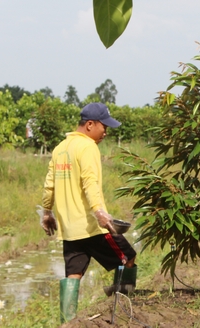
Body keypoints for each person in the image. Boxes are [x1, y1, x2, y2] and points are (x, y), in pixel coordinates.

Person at [40, 102, 137, 323]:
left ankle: (67, 323)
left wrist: (47, 212)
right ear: (90, 125)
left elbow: (49, 185)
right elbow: (90, 183)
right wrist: (99, 212)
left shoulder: (60, 148)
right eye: (104, 127)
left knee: (73, 275)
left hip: (69, 229)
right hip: (92, 226)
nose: (106, 132)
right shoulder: (88, 147)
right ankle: (123, 309)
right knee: (128, 257)